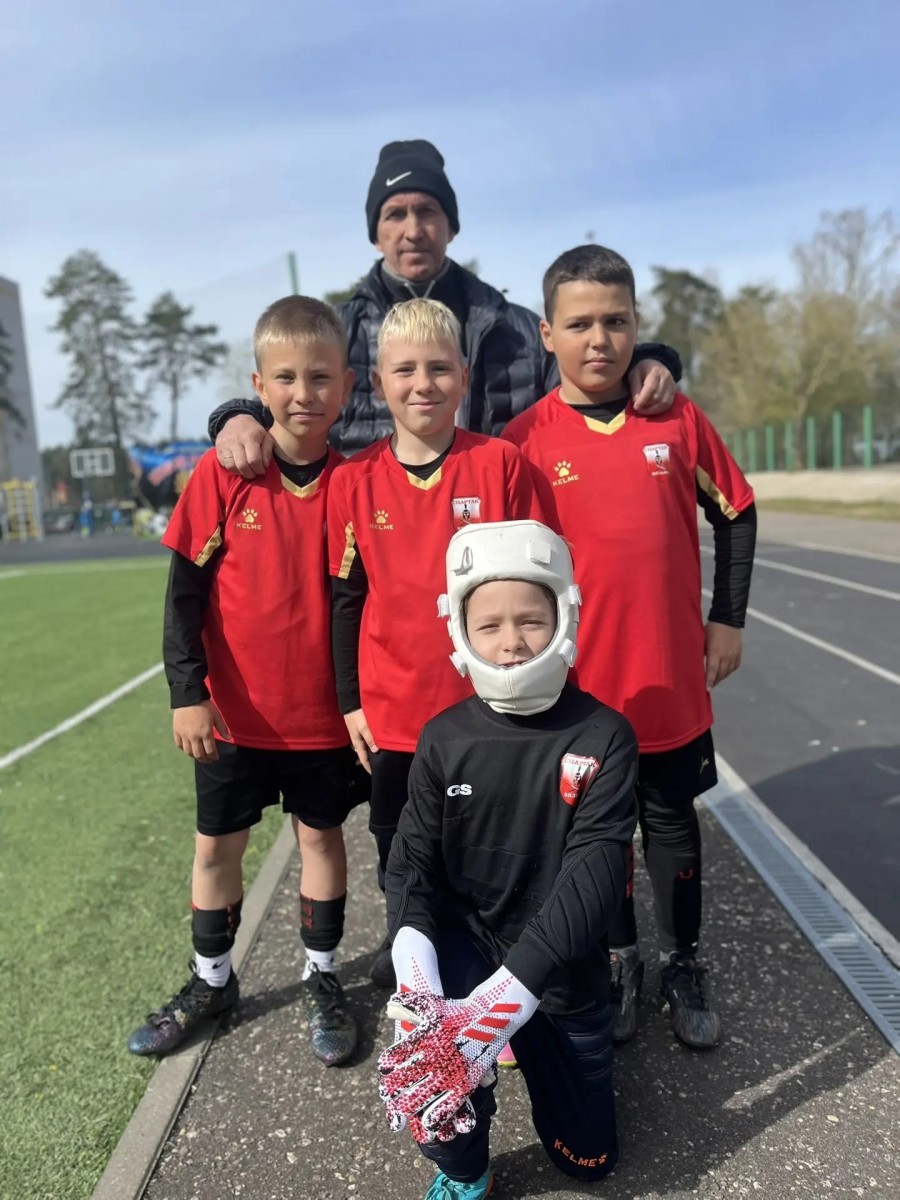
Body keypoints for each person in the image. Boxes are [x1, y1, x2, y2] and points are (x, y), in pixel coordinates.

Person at [502, 244, 757, 1048]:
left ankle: (683, 960)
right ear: (547, 334)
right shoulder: (524, 440)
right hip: (577, 693)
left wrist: (728, 617)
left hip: (668, 677)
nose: (599, 339)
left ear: (638, 325)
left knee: (673, 826)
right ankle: (620, 959)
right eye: (579, 323)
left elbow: (737, 511)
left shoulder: (676, 418)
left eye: (616, 321)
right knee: (598, 839)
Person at [127, 296, 361, 1067]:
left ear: (347, 386)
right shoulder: (222, 474)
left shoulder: (356, 485)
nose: (304, 393)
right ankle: (212, 982)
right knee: (215, 850)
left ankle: (323, 975)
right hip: (232, 718)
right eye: (286, 378)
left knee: (320, 839)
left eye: (320, 377)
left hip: (321, 721)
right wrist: (186, 693)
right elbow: (183, 596)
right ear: (258, 386)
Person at [378, 519, 638, 1200]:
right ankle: (467, 1173)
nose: (512, 640)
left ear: (565, 617)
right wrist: (418, 976)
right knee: (432, 1084)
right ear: (460, 629)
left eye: (531, 620)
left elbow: (597, 870)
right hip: (468, 945)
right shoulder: (443, 738)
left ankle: (527, 1034)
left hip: (558, 960)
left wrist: (509, 997)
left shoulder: (605, 734)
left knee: (588, 1161)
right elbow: (411, 865)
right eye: (489, 624)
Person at [205, 138, 682, 472]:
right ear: (376, 234)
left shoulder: (515, 329)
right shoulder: (337, 332)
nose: (413, 230)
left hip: (494, 546)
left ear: (451, 226)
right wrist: (236, 418)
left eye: (428, 212)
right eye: (395, 214)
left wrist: (645, 360)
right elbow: (287, 399)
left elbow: (588, 379)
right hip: (371, 552)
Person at [326, 297, 547, 989]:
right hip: (394, 713)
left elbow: (541, 587)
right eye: (405, 370)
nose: (423, 384)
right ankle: (413, 971)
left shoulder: (501, 465)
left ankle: (491, 972)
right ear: (377, 382)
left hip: (487, 707)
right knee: (402, 849)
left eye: (439, 368)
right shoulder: (352, 482)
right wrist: (351, 702)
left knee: (491, 844)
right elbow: (346, 598)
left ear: (464, 374)